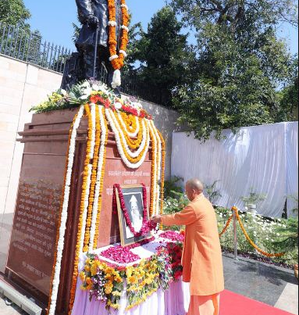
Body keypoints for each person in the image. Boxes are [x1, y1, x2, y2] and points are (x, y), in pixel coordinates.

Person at [152, 178, 224, 315]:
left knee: (202, 290)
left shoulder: (195, 206)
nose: (186, 194)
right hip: (210, 252)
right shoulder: (205, 202)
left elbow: (178, 218)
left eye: (186, 191)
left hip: (203, 255)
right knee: (210, 288)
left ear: (193, 191)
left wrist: (160, 218)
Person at [74, 0, 121, 89]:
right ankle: (90, 98)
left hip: (114, 41)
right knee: (92, 75)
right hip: (96, 32)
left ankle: (114, 100)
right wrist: (88, 15)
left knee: (114, 75)